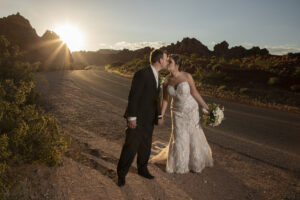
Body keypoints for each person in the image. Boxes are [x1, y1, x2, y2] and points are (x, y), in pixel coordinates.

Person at [149, 54, 213, 173]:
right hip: (177, 112)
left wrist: (207, 108)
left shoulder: (187, 76)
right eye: (167, 62)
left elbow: (195, 93)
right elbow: (165, 100)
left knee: (194, 135)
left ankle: (195, 163)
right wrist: (161, 115)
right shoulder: (166, 81)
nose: (167, 64)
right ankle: (180, 165)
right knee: (179, 137)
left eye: (170, 62)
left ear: (177, 65)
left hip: (191, 110)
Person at [116, 49, 168, 186]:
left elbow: (157, 99)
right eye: (166, 58)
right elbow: (134, 96)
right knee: (131, 146)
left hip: (149, 119)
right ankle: (121, 175)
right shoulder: (142, 73)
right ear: (160, 60)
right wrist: (131, 117)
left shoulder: (157, 75)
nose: (167, 61)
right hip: (138, 118)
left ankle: (142, 169)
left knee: (145, 146)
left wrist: (159, 115)